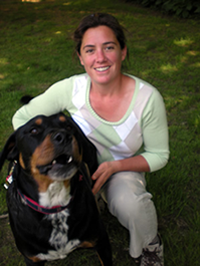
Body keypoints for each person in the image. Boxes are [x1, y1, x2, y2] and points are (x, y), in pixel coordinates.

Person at [12, 13, 169, 266]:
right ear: (81, 58)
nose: (100, 57)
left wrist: (115, 167)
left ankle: (150, 245)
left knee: (132, 204)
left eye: (109, 47)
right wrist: (33, 157)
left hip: (120, 169)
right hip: (75, 167)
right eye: (90, 50)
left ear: (123, 52)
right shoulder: (69, 89)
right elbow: (21, 118)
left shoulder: (148, 99)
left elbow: (159, 155)